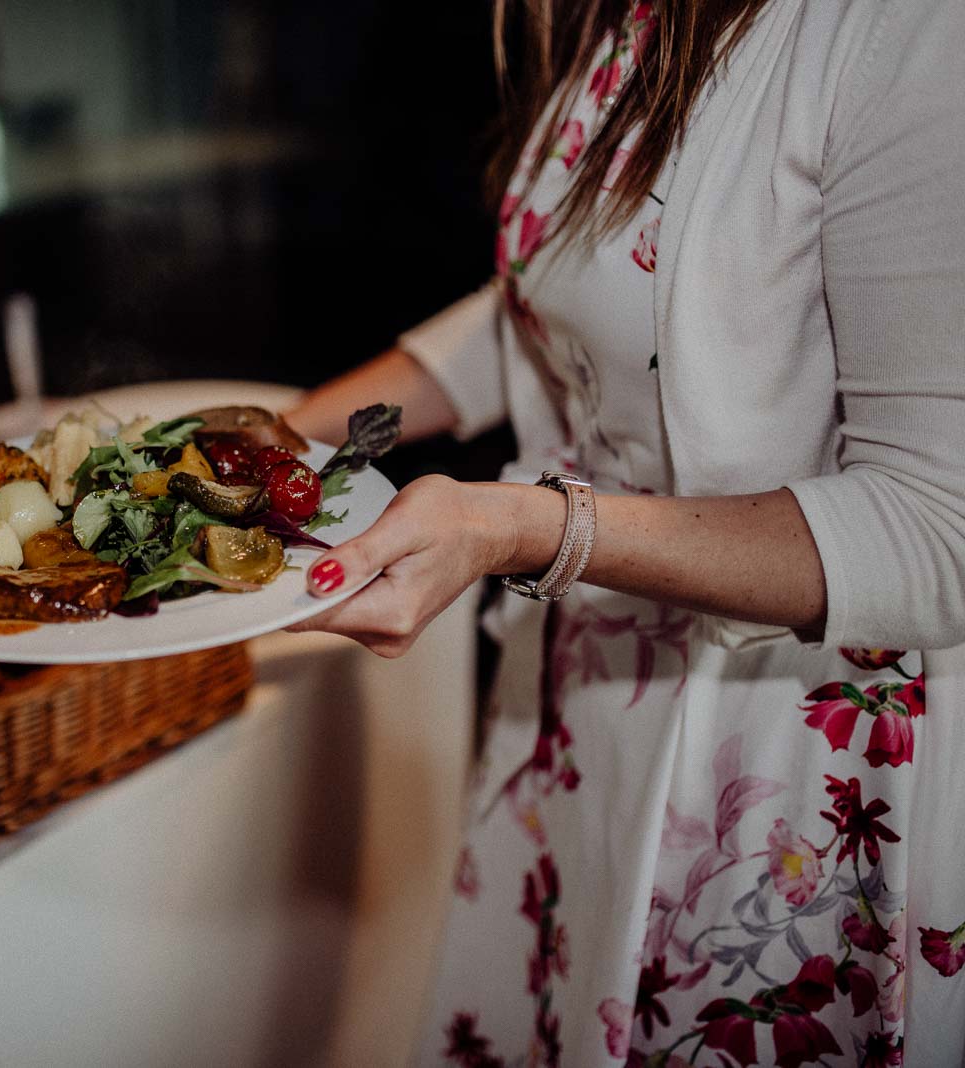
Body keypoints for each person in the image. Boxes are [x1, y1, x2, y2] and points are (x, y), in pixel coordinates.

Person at [283, 0, 965, 1063]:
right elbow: (571, 289)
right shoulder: (629, 17)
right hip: (585, 699)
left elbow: (938, 529)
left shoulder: (908, 32)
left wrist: (524, 530)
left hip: (772, 779)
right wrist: (280, 433)